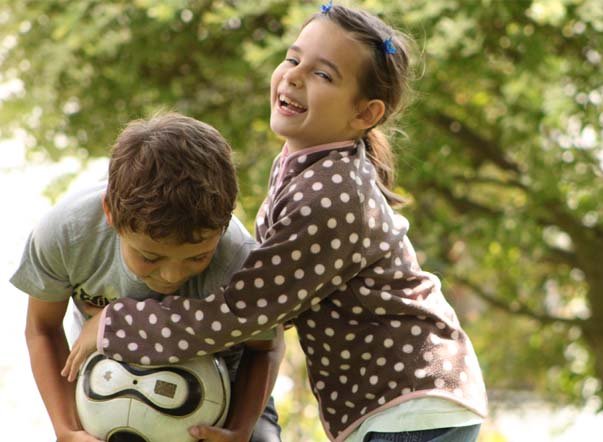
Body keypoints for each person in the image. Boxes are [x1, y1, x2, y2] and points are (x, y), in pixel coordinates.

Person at [63, 3, 488, 441]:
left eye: (323, 74)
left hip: (411, 405)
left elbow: (243, 310)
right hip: (403, 404)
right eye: (292, 58)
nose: (295, 75)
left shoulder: (329, 196)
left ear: (365, 114)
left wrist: (119, 325)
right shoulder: (306, 166)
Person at [10, 113, 284, 442]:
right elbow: (42, 328)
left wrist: (240, 429)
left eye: (198, 257)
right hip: (104, 391)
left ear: (223, 224)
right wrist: (66, 429)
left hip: (229, 392)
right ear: (110, 213)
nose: (172, 275)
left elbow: (264, 346)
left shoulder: (238, 259)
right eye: (149, 257)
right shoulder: (67, 234)